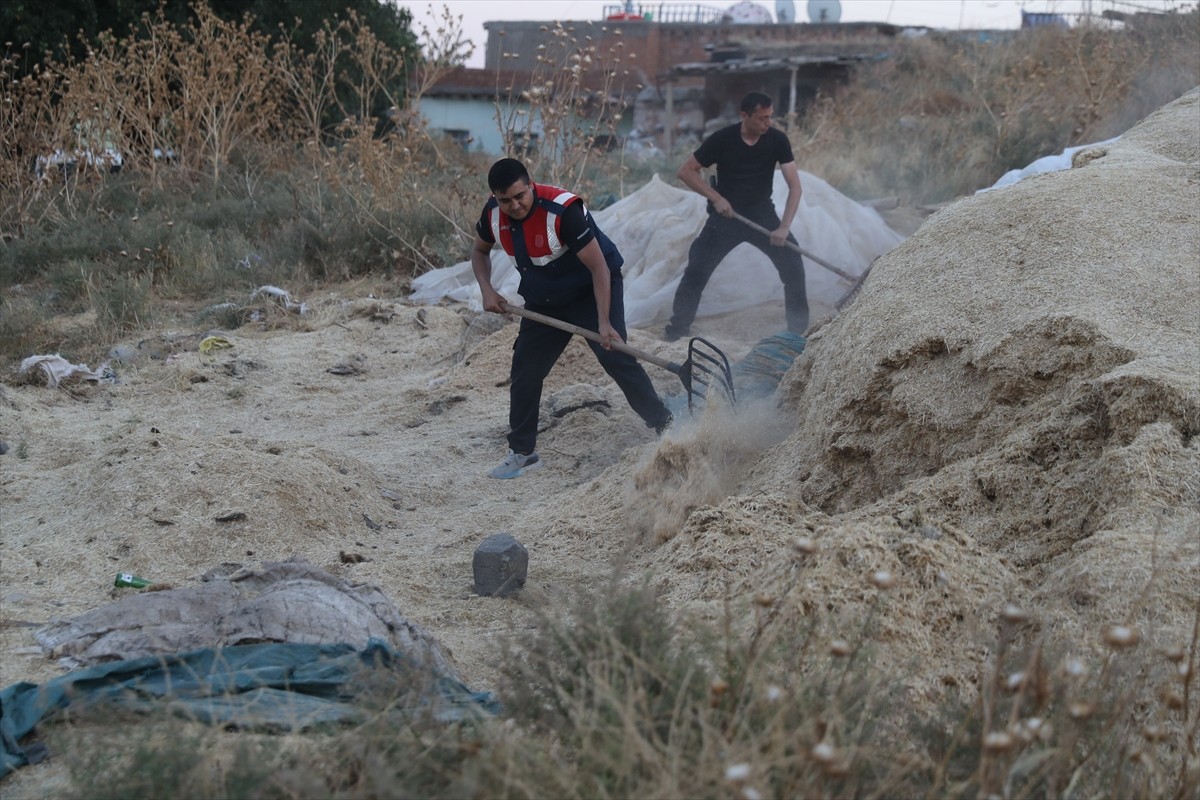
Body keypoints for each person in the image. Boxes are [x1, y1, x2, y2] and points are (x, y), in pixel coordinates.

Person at [471, 158, 673, 479]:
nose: (514, 205)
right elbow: (480, 251)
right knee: (525, 369)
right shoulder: (493, 215)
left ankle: (664, 423)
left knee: (616, 356)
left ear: (531, 184)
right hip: (544, 297)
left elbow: (600, 269)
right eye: (505, 199)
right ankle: (523, 451)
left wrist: (604, 323)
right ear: (495, 197)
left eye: (520, 196)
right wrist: (487, 289)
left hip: (589, 289)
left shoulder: (563, 212)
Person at [665, 91, 809, 341]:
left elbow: (795, 186)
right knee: (696, 271)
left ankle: (798, 333)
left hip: (763, 215)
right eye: (762, 118)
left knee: (794, 267)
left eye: (770, 117)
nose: (768, 123)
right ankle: (676, 331)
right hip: (726, 219)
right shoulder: (722, 139)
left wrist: (784, 227)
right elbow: (686, 171)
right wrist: (716, 198)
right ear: (745, 116)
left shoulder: (777, 140)